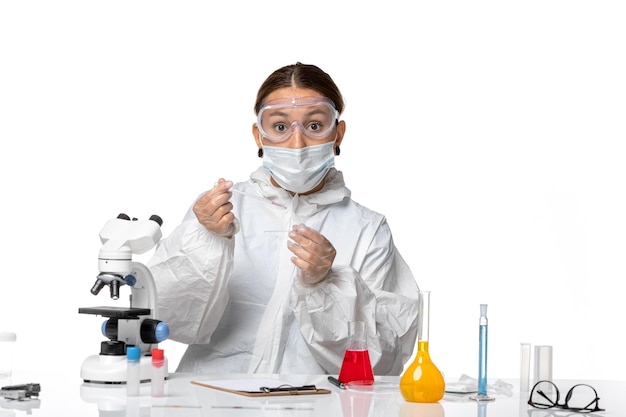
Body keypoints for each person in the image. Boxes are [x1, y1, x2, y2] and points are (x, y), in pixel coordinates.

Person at [148, 62, 419, 376]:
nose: (297, 143)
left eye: (314, 125)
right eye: (279, 127)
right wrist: (204, 240)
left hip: (316, 405)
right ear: (258, 136)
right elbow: (167, 320)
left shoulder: (367, 229)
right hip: (213, 398)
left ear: (338, 133)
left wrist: (328, 284)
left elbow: (382, 362)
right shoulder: (221, 210)